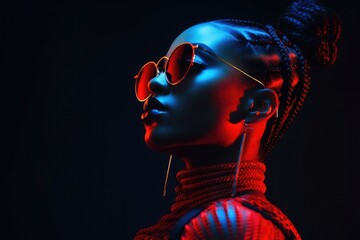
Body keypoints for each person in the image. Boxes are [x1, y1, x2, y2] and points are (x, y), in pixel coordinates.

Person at [132, 0, 341, 239]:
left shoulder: (230, 225)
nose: (154, 83)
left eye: (185, 65)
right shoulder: (209, 221)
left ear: (256, 106)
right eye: (157, 71)